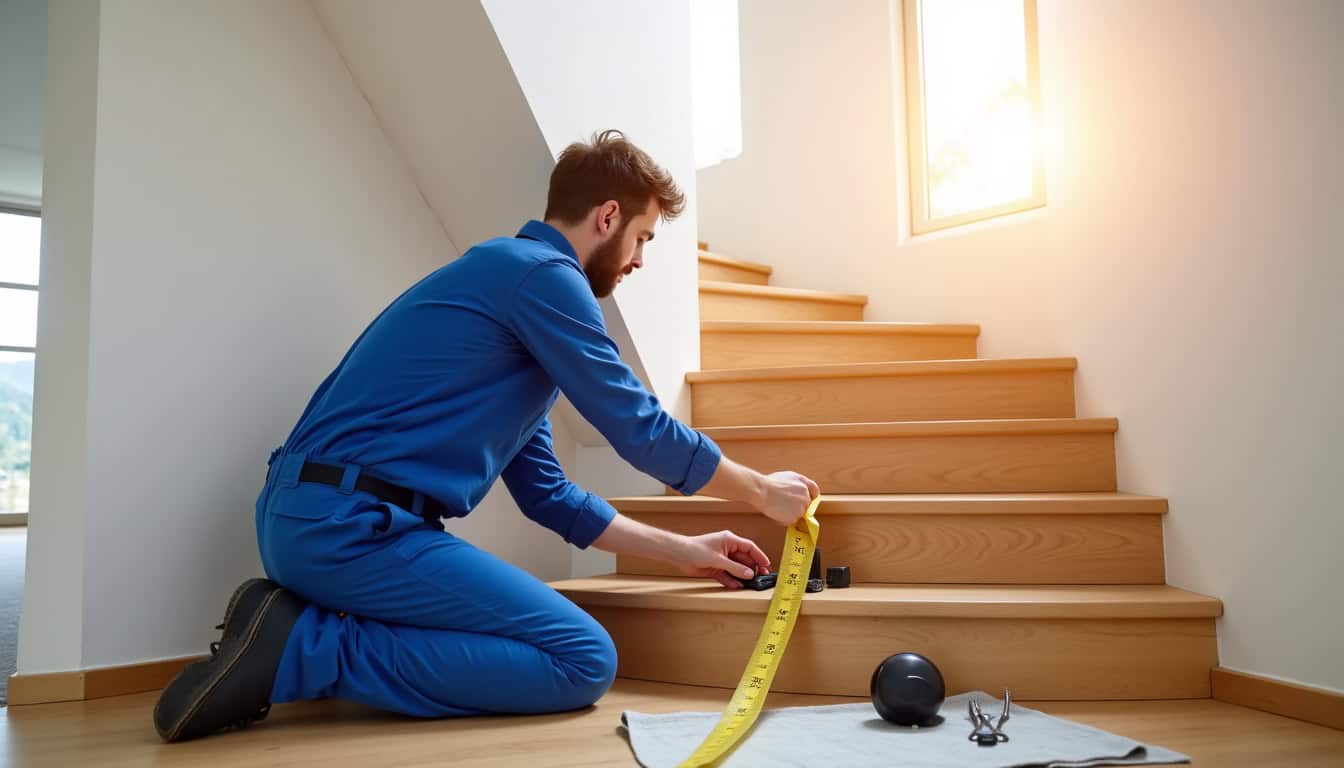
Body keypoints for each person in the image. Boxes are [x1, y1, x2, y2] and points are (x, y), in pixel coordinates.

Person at [153, 130, 819, 743]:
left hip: (313, 519)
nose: (640, 259)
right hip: (349, 527)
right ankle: (302, 649)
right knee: (582, 660)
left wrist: (683, 551)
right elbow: (638, 427)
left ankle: (293, 633)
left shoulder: (510, 289)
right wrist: (761, 492)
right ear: (608, 217)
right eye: (642, 237)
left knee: (566, 647)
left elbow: (548, 495)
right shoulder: (545, 278)